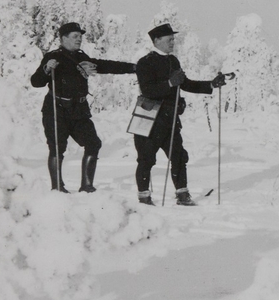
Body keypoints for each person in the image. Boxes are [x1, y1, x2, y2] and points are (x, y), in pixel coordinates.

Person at [30, 21, 137, 193]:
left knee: (93, 143)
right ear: (63, 38)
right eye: (75, 36)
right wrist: (46, 69)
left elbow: (105, 65)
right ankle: (57, 187)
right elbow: (36, 82)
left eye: (80, 36)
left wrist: (134, 68)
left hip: (78, 110)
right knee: (57, 147)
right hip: (56, 109)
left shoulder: (81, 57)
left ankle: (87, 186)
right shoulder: (53, 57)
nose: (79, 39)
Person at [133, 23, 228, 206]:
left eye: (173, 39)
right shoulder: (145, 62)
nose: (172, 42)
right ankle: (144, 197)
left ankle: (182, 195)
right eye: (169, 39)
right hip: (149, 118)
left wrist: (211, 84)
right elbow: (148, 89)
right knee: (146, 159)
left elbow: (186, 84)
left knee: (178, 156)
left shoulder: (173, 61)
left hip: (169, 119)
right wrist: (169, 84)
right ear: (157, 40)